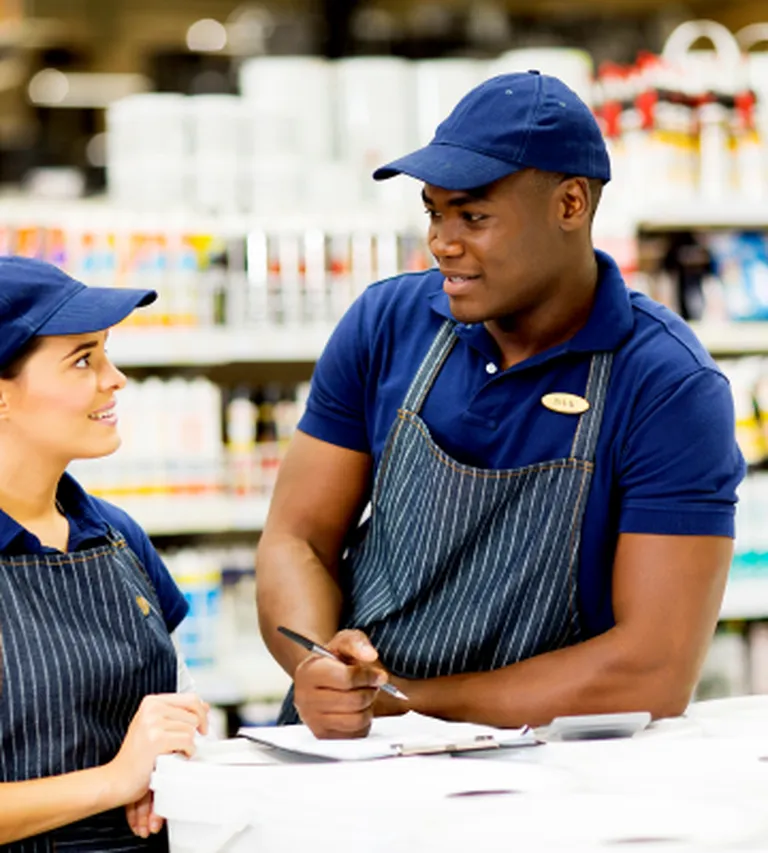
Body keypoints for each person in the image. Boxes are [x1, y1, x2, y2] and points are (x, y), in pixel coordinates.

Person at [256, 71, 746, 739]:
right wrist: (319, 663)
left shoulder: (665, 384)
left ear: (571, 203)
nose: (442, 241)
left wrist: (412, 702)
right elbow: (296, 538)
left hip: (546, 778)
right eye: (434, 211)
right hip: (353, 750)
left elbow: (651, 670)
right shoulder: (386, 325)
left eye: (473, 215)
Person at [0, 256, 209, 850]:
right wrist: (116, 780)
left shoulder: (115, 535)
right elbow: (123, 771)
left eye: (107, 354)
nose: (114, 378)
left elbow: (181, 700)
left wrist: (167, 763)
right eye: (83, 360)